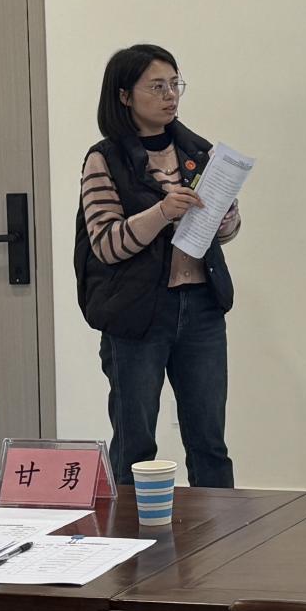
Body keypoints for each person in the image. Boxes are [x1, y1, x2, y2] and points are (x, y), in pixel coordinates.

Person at [76, 44, 241, 486]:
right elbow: (106, 244)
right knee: (135, 444)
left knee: (210, 443)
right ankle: (131, 529)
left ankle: (218, 529)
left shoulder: (199, 152)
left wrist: (227, 216)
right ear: (124, 95)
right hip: (137, 313)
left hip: (201, 307)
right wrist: (163, 211)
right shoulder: (104, 159)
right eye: (157, 86)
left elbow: (223, 234)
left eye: (175, 84)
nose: (170, 95)